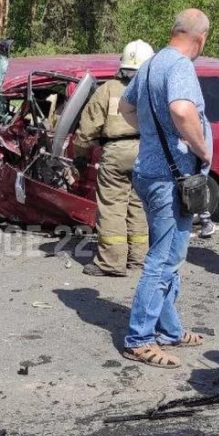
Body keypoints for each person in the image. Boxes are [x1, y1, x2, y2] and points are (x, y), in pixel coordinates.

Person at [116, 9, 212, 368]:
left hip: (153, 172)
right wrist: (201, 150)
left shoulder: (151, 64)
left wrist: (153, 138)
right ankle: (140, 338)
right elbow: (183, 110)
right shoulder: (181, 66)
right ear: (201, 38)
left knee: (172, 256)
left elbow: (126, 107)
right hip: (171, 179)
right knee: (161, 259)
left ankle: (169, 329)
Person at [73, 39, 154, 277]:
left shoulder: (108, 89)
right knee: (139, 205)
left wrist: (80, 154)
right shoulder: (152, 90)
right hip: (147, 152)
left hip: (116, 152)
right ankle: (138, 258)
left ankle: (111, 262)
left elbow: (88, 127)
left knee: (112, 207)